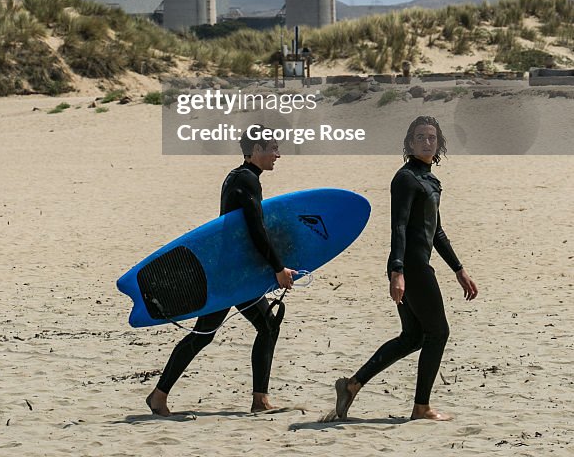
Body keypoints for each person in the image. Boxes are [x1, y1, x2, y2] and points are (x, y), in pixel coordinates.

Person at [326, 115, 478, 423]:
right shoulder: (406, 178)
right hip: (411, 266)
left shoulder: (430, 180)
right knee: (438, 332)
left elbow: (435, 230)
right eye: (419, 137)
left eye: (431, 138)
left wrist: (458, 269)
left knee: (413, 337)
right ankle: (421, 407)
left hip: (415, 265)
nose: (426, 142)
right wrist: (398, 270)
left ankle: (352, 385)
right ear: (409, 144)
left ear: (439, 144)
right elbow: (399, 226)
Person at [146, 128, 296, 416]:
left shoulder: (238, 176)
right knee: (210, 333)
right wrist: (278, 269)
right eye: (273, 147)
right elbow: (255, 230)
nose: (278, 154)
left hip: (232, 271)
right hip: (230, 275)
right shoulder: (247, 180)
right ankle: (159, 395)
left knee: (258, 327)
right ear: (255, 150)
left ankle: (258, 399)